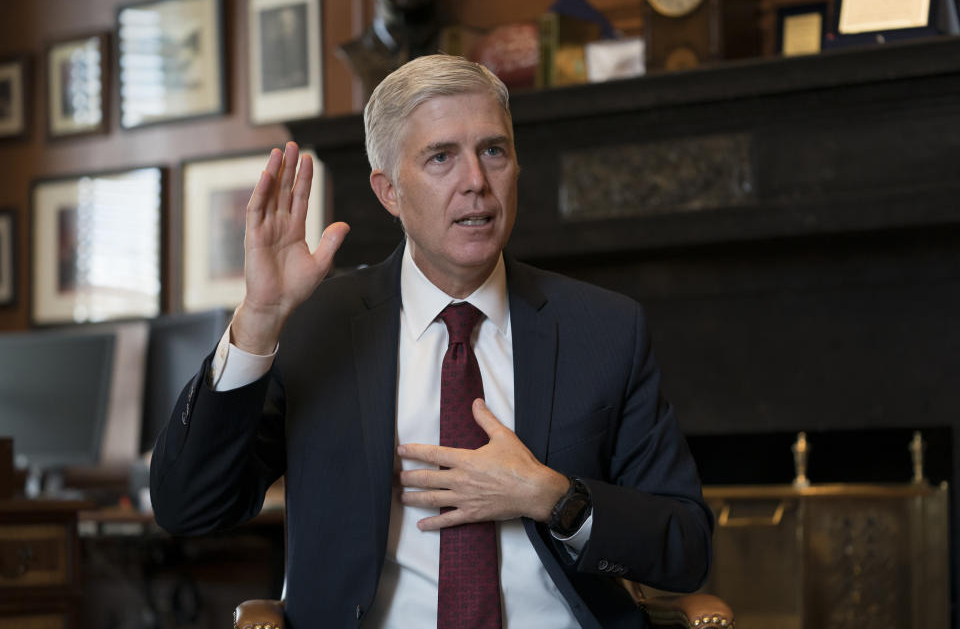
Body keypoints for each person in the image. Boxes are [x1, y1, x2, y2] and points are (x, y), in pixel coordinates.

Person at [150, 54, 713, 629]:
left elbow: (687, 545)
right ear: (389, 191)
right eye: (442, 157)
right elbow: (189, 506)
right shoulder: (317, 327)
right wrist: (260, 318)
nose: (476, 181)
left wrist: (552, 496)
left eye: (493, 150)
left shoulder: (604, 329)